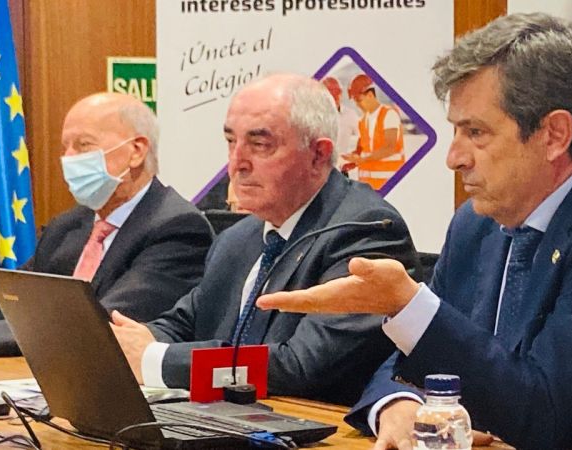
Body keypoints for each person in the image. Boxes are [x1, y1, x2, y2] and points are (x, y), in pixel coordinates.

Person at [256, 13, 572, 449]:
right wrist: (398, 402)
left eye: (476, 133)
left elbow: (543, 415)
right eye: (455, 131)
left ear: (554, 135)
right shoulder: (477, 223)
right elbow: (419, 356)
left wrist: (407, 305)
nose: (454, 157)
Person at [110, 73, 419, 406]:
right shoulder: (238, 238)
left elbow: (301, 367)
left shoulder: (365, 231)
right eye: (231, 142)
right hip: (229, 420)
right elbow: (185, 322)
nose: (236, 163)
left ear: (318, 155)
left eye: (259, 145)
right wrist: (128, 343)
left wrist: (155, 360)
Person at [0, 93, 214, 357]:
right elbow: (12, 298)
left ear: (136, 151)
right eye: (64, 148)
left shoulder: (179, 229)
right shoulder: (68, 226)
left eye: (83, 145)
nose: (68, 158)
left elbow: (100, 321)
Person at [341, 74, 405, 190]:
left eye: (359, 100)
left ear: (370, 95)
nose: (357, 105)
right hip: (368, 187)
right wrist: (351, 161)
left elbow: (389, 147)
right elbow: (361, 151)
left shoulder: (389, 114)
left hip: (389, 184)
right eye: (355, 101)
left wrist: (363, 160)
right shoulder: (363, 121)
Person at [321, 76, 360, 160]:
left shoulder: (350, 115)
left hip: (341, 165)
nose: (336, 96)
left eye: (338, 91)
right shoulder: (313, 116)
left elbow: (365, 138)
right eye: (331, 92)